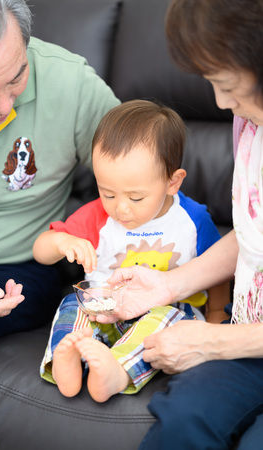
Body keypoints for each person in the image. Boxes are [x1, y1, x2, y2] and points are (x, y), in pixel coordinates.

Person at [91, 1, 263, 448]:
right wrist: (170, 286)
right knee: (182, 420)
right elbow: (253, 236)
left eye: (225, 83)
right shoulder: (250, 121)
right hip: (248, 338)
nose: (222, 103)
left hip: (243, 341)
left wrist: (213, 341)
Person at [33, 99, 229, 403]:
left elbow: (219, 269)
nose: (120, 208)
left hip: (168, 310)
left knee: (168, 321)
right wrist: (62, 243)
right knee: (71, 307)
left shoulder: (193, 221)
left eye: (136, 198)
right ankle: (65, 357)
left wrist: (217, 315)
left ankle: (117, 370)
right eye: (107, 192)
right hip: (103, 309)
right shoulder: (97, 215)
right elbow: (40, 252)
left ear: (172, 182)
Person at [0, 0, 120, 354]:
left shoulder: (71, 86)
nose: (4, 108)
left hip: (15, 265)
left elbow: (145, 174)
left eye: (17, 75)